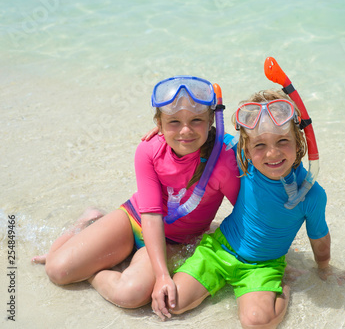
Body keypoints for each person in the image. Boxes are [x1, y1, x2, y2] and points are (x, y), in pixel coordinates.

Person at [32, 76, 240, 314]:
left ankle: (98, 268)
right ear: (159, 125)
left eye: (196, 120)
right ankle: (87, 223)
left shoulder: (224, 161)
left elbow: (247, 213)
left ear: (211, 119)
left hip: (173, 241)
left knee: (129, 295)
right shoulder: (149, 149)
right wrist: (162, 275)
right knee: (57, 270)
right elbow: (150, 215)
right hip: (134, 219)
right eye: (173, 122)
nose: (185, 130)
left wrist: (269, 258)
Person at [165, 90, 345, 328]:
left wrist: (324, 268)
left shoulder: (310, 194)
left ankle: (281, 284)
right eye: (260, 145)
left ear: (299, 142)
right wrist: (163, 135)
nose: (272, 153)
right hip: (218, 250)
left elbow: (319, 238)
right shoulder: (242, 163)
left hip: (263, 266)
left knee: (256, 323)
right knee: (173, 303)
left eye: (282, 141)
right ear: (246, 148)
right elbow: (198, 138)